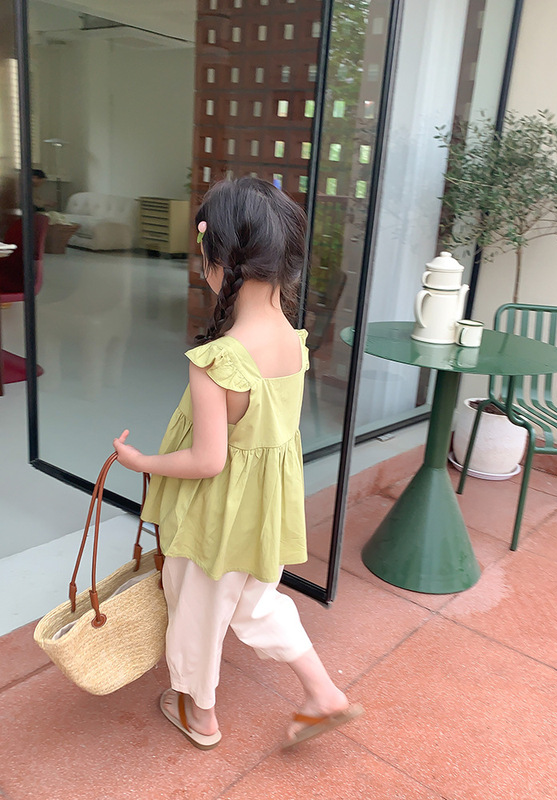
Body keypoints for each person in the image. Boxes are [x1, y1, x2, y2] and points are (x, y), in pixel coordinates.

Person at [113, 177, 362, 750]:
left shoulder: (218, 360)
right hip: (264, 513)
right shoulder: (294, 341)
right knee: (255, 602)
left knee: (195, 613)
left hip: (214, 518)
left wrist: (143, 460)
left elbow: (208, 460)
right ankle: (323, 692)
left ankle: (199, 715)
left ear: (217, 258)